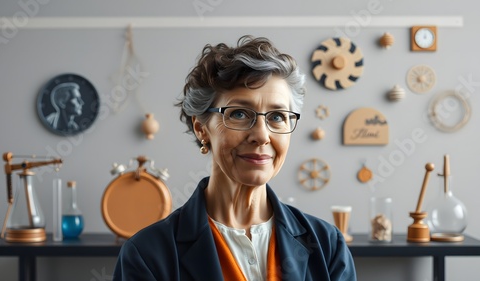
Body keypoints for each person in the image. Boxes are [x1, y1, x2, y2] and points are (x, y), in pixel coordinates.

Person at [113, 35, 357, 281]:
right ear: (201, 128)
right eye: (239, 113)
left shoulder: (327, 246)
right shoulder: (147, 254)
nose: (261, 135)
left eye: (277, 116)